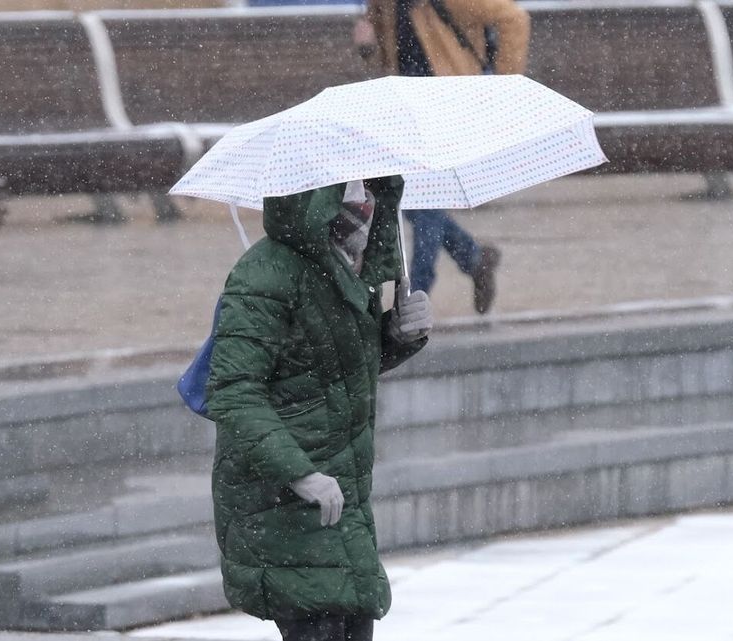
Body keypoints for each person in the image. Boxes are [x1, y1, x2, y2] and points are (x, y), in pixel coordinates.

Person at [205, 175, 432, 641]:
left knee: (351, 623)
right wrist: (301, 472)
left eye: (370, 190)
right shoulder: (265, 273)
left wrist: (398, 334)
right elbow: (233, 389)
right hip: (282, 499)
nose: (363, 204)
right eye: (348, 193)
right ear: (315, 198)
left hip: (340, 493)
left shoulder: (350, 266)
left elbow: (329, 369)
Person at [355, 0, 530, 314]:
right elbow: (383, 43)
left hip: (448, 109)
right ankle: (475, 260)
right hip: (406, 114)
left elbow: (513, 19)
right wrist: (368, 40)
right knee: (410, 205)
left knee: (425, 206)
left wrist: (507, 87)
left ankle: (414, 297)